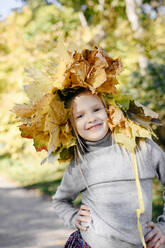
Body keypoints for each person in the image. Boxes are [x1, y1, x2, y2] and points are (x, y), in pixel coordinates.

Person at [52, 89, 165, 248]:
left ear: (110, 110)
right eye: (80, 116)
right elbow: (60, 201)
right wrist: (72, 217)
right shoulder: (80, 164)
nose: (91, 118)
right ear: (72, 126)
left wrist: (163, 227)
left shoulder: (141, 147)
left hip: (144, 243)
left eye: (96, 109)